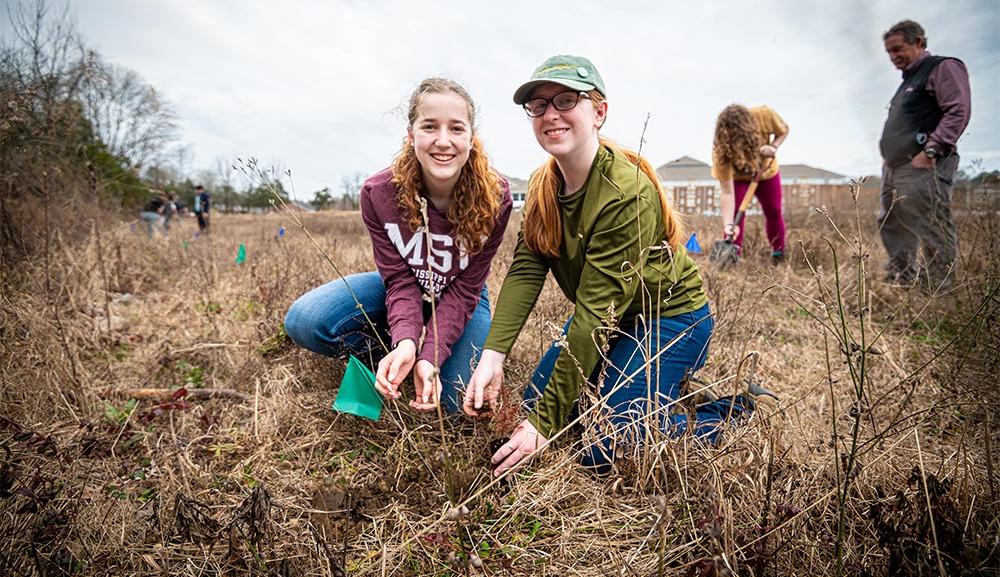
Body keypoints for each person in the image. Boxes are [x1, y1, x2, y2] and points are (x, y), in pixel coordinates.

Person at [464, 55, 759, 476]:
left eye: (567, 100)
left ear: (599, 111)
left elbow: (595, 315)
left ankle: (735, 409)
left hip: (668, 320)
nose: (551, 114)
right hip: (610, 319)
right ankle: (649, 390)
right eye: (539, 105)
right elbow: (528, 269)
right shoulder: (541, 183)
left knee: (606, 447)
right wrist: (492, 357)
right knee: (533, 407)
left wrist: (543, 427)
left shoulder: (626, 192)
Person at [285, 78, 513, 413]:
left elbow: (466, 289)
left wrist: (431, 353)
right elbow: (398, 280)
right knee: (305, 321)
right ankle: (392, 354)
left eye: (457, 128)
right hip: (403, 287)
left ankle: (424, 359)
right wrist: (406, 341)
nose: (443, 141)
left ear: (471, 137)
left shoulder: (497, 198)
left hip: (462, 296)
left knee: (453, 400)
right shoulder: (378, 193)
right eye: (430, 126)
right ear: (411, 135)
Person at [878, 19, 971, 290]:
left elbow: (958, 110)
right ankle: (901, 276)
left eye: (898, 49)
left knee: (930, 223)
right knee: (893, 222)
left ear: (918, 41)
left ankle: (938, 289)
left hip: (923, 164)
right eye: (889, 53)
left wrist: (931, 150)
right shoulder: (907, 81)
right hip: (895, 167)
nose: (894, 57)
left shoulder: (942, 68)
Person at [711, 104, 789, 263]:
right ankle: (732, 257)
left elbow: (783, 130)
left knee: (774, 210)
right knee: (734, 218)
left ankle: (778, 253)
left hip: (766, 172)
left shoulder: (765, 116)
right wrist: (728, 225)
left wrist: (773, 146)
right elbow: (727, 192)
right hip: (739, 178)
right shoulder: (720, 152)